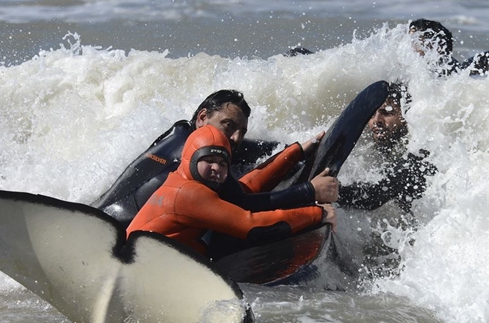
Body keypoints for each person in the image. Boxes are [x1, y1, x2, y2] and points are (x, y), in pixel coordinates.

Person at [93, 89, 338, 228]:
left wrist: (295, 150)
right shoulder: (195, 160)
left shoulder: (182, 132)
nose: (234, 139)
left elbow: (249, 158)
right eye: (228, 126)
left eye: (241, 132)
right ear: (202, 117)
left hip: (98, 216)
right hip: (117, 233)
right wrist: (309, 194)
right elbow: (242, 205)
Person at [127, 125, 335, 257]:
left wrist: (296, 152)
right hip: (141, 275)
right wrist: (318, 213)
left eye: (222, 163)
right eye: (207, 160)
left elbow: (244, 192)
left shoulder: (188, 179)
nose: (216, 168)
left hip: (157, 265)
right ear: (189, 160)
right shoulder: (187, 193)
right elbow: (253, 226)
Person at [338, 82, 436, 213]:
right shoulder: (381, 148)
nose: (376, 120)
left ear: (406, 116)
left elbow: (373, 195)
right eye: (372, 114)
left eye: (387, 112)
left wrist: (329, 191)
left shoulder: (417, 153)